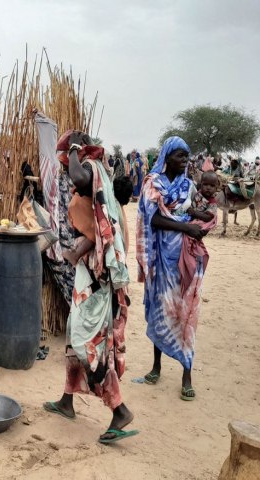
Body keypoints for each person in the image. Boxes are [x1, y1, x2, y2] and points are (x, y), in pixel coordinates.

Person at [44, 130, 137, 444]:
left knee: (87, 342)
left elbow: (79, 177)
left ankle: (118, 408)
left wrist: (73, 150)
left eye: (63, 159)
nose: (62, 168)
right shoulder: (97, 180)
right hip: (87, 272)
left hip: (98, 279)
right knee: (74, 334)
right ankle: (67, 401)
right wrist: (71, 253)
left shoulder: (91, 171)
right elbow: (96, 231)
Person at [137, 136, 210, 402]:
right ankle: (156, 366)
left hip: (185, 258)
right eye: (180, 157)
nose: (185, 162)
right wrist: (185, 226)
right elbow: (153, 218)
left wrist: (200, 220)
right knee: (161, 310)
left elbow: (189, 210)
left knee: (186, 311)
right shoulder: (152, 184)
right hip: (160, 259)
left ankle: (186, 374)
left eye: (187, 157)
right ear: (167, 157)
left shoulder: (188, 184)